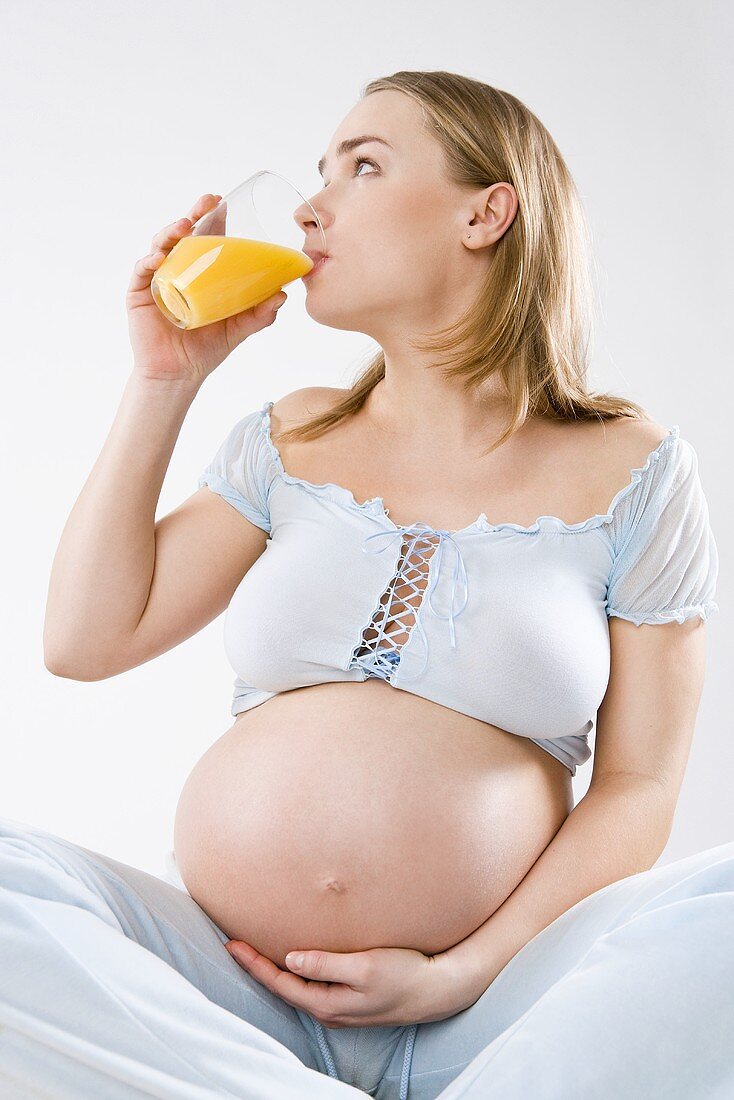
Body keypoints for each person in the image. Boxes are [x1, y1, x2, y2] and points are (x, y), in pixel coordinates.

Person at [2, 70, 731, 1100]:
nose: (309, 208)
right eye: (319, 172)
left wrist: (458, 972)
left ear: (486, 212)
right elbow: (83, 638)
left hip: (493, 1007)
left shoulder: (637, 471)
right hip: (226, 997)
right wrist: (164, 381)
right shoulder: (290, 438)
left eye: (362, 166)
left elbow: (638, 787)